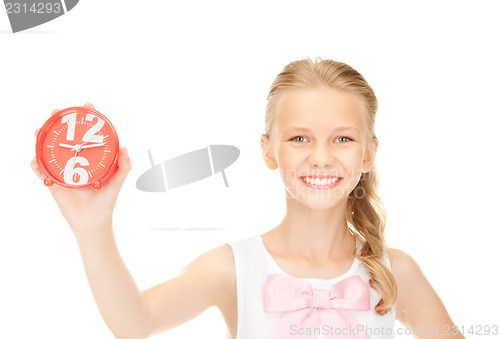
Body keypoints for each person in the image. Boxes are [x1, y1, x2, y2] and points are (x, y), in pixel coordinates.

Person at [31, 57, 465, 339]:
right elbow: (134, 323)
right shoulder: (233, 267)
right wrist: (92, 227)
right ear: (268, 150)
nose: (320, 157)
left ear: (369, 152)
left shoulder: (395, 272)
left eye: (343, 139)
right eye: (299, 137)